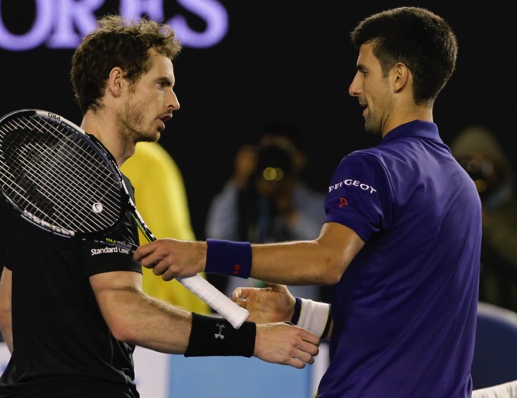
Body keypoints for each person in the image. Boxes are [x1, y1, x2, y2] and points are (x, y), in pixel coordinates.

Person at [134, 7, 482, 397]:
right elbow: (398, 319)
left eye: (364, 71)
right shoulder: (462, 186)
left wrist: (202, 254)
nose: (353, 86)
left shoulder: (373, 166)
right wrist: (297, 312)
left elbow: (326, 261)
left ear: (398, 77)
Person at [0, 15, 320, 398]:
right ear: (117, 83)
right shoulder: (98, 180)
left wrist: (48, 380)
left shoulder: (49, 176)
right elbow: (127, 316)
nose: (174, 102)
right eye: (161, 84)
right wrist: (252, 340)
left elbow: (6, 308)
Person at [205, 122, 328, 301]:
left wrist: (286, 205)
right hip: (241, 309)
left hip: (293, 315)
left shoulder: (317, 204)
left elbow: (323, 250)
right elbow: (216, 236)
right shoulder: (243, 199)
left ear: (299, 158)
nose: (274, 158)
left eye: (282, 152)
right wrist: (238, 181)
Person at [121, 141, 211, 313]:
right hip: (152, 314)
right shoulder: (149, 159)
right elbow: (172, 239)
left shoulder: (71, 156)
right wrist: (196, 315)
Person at [451, 126, 517, 312]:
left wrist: (486, 223)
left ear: (498, 166)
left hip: (507, 317)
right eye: (466, 165)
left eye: (484, 164)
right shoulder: (439, 213)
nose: (475, 173)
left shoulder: (511, 213)